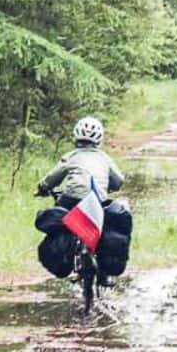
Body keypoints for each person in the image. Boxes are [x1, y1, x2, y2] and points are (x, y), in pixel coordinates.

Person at [32, 116, 133, 283]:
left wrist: (42, 189)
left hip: (71, 199)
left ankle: (69, 257)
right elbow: (119, 181)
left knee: (63, 223)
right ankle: (104, 272)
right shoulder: (104, 158)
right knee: (105, 226)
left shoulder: (71, 156)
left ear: (76, 136)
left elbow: (52, 178)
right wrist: (110, 187)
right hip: (97, 200)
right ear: (99, 138)